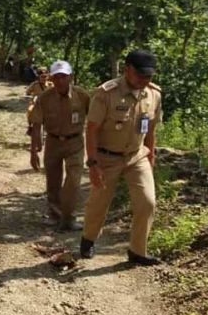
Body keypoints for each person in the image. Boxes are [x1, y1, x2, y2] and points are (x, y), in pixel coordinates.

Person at [80, 50, 163, 265]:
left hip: (137, 156)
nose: (145, 81)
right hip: (107, 157)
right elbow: (92, 129)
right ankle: (88, 238)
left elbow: (151, 130)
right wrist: (93, 163)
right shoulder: (106, 93)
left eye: (149, 77)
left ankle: (137, 250)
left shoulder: (154, 94)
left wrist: (151, 155)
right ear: (127, 70)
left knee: (147, 203)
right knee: (98, 203)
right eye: (140, 76)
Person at [28, 60, 91, 231]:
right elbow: (36, 124)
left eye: (64, 77)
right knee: (53, 180)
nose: (60, 81)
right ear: (51, 79)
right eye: (57, 77)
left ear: (70, 77)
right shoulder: (45, 98)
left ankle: (69, 217)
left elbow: (95, 120)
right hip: (54, 142)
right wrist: (33, 151)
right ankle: (56, 215)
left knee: (73, 180)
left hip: (75, 143)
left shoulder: (82, 96)